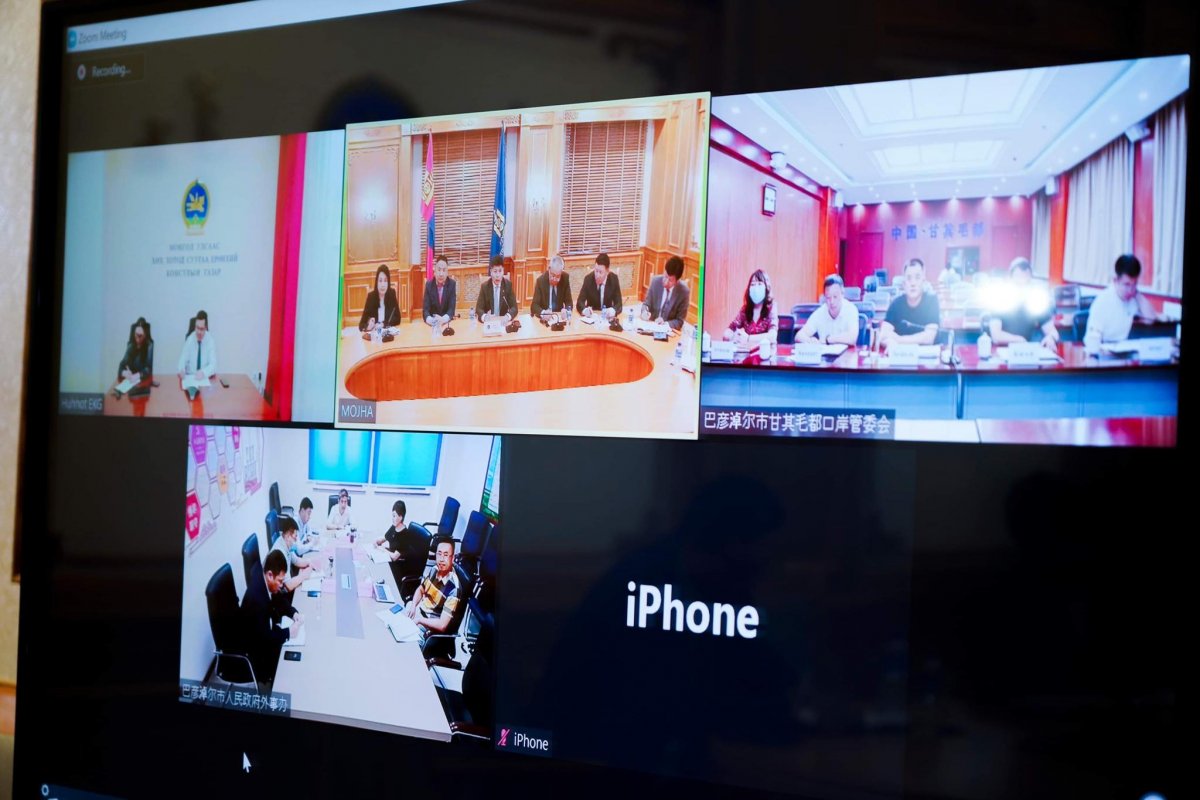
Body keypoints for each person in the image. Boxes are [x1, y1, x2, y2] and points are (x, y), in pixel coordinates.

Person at [240, 548, 302, 686]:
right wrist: (288, 633)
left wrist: (293, 613)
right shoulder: (257, 600)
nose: (281, 585)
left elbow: (279, 599)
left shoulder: (266, 582)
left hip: (263, 633)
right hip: (256, 653)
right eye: (280, 581)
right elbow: (264, 639)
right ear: (269, 575)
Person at [1085, 254, 1167, 343]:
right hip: (1105, 347)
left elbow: (1151, 319)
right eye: (1127, 284)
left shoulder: (1133, 298)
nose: (1130, 290)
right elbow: (1092, 339)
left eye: (1134, 284)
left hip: (1124, 346)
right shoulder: (1102, 302)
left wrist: (1137, 294)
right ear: (1115, 280)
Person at [986, 257, 1059, 349]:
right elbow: (996, 336)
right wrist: (1018, 340)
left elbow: (1052, 331)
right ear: (1010, 279)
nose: (1022, 285)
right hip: (1002, 350)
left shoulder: (1035, 301)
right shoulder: (1000, 299)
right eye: (1018, 281)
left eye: (1026, 282)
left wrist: (1051, 338)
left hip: (1026, 350)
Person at [405, 537, 460, 643]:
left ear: (452, 558)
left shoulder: (454, 589)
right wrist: (413, 606)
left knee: (404, 642)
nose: (441, 559)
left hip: (428, 625)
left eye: (446, 555)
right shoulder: (434, 569)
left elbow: (442, 625)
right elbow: (421, 589)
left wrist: (420, 620)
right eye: (439, 554)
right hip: (419, 611)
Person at [879, 258, 940, 348]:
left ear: (923, 281)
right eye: (909, 278)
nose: (913, 283)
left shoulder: (931, 301)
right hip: (901, 354)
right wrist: (890, 343)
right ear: (904, 284)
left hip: (925, 354)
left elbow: (929, 337)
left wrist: (899, 340)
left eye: (917, 278)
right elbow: (883, 335)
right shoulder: (896, 303)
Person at [796, 275, 860, 345]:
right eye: (828, 297)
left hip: (846, 351)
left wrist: (828, 339)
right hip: (825, 351)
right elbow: (799, 336)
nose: (832, 302)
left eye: (835, 297)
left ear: (842, 294)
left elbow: (852, 338)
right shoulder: (820, 312)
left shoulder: (851, 310)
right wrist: (810, 341)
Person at [723, 268, 778, 346]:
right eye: (752, 284)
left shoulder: (771, 307)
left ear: (766, 287)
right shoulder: (745, 309)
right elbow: (729, 330)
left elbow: (772, 336)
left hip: (766, 351)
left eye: (760, 284)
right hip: (747, 351)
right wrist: (733, 337)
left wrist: (748, 338)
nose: (756, 288)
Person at [269, 516, 317, 592]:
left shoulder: (285, 542)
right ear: (288, 536)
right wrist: (304, 576)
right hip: (279, 593)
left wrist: (309, 562)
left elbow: (296, 561)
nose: (296, 541)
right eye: (295, 538)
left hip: (286, 584)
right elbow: (288, 585)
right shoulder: (280, 554)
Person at [641, 255, 690, 330]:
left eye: (670, 280)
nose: (666, 282)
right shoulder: (655, 281)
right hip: (651, 326)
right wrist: (645, 312)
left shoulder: (684, 292)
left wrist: (665, 324)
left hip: (667, 330)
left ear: (677, 281)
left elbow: (680, 321)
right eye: (665, 276)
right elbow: (646, 304)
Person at [575, 252, 622, 319]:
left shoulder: (614, 279)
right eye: (596, 271)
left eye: (600, 272)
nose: (597, 275)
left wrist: (613, 310)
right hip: (592, 317)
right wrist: (585, 310)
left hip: (607, 318)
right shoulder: (588, 279)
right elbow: (580, 302)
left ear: (607, 271)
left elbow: (619, 304)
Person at [359, 264, 400, 333]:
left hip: (387, 335)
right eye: (380, 281)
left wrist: (383, 324)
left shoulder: (392, 294)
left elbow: (398, 318)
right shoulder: (371, 297)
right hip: (375, 336)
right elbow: (361, 325)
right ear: (376, 282)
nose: (383, 285)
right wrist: (368, 326)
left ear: (388, 282)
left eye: (385, 281)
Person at [475, 255, 517, 322]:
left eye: (500, 271)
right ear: (491, 272)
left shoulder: (508, 285)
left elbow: (514, 307)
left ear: (503, 271)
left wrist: (507, 317)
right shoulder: (485, 287)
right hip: (489, 322)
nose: (497, 275)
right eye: (495, 271)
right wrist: (485, 317)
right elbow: (478, 309)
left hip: (503, 321)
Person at [176, 309, 217, 379]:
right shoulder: (190, 339)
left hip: (204, 378)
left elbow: (213, 365)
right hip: (190, 377)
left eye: (201, 329)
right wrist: (181, 370)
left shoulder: (210, 341)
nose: (198, 332)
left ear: (206, 328)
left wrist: (204, 372)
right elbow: (182, 359)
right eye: (197, 328)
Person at [117, 317, 153, 391]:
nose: (137, 338)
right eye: (136, 335)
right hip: (130, 384)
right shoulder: (131, 346)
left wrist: (138, 375)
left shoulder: (149, 346)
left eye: (140, 335)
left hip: (143, 384)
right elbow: (122, 365)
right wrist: (124, 373)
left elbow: (148, 369)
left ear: (145, 335)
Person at [422, 254, 456, 326]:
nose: (441, 274)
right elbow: (425, 310)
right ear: (435, 271)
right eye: (439, 270)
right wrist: (431, 321)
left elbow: (451, 309)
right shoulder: (429, 285)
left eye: (444, 270)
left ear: (447, 272)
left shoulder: (452, 284)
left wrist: (443, 320)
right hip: (432, 325)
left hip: (446, 323)